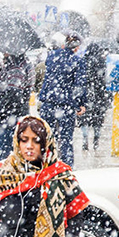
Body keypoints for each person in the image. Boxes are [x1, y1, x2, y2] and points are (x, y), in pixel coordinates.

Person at [0, 52, 32, 183]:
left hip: (5, 124)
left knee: (2, 163)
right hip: (2, 123)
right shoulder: (10, 67)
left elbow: (11, 96)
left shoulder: (16, 69)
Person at [38, 31, 86, 167]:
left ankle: (45, 168)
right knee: (66, 140)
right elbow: (79, 85)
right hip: (66, 105)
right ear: (76, 47)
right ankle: (65, 170)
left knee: (47, 139)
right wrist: (80, 104)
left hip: (48, 103)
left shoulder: (51, 57)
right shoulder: (77, 61)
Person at [78, 41, 109, 152]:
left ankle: (85, 139)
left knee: (84, 119)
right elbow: (104, 81)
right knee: (98, 121)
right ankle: (96, 140)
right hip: (99, 96)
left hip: (86, 96)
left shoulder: (83, 61)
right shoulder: (101, 62)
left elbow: (80, 80)